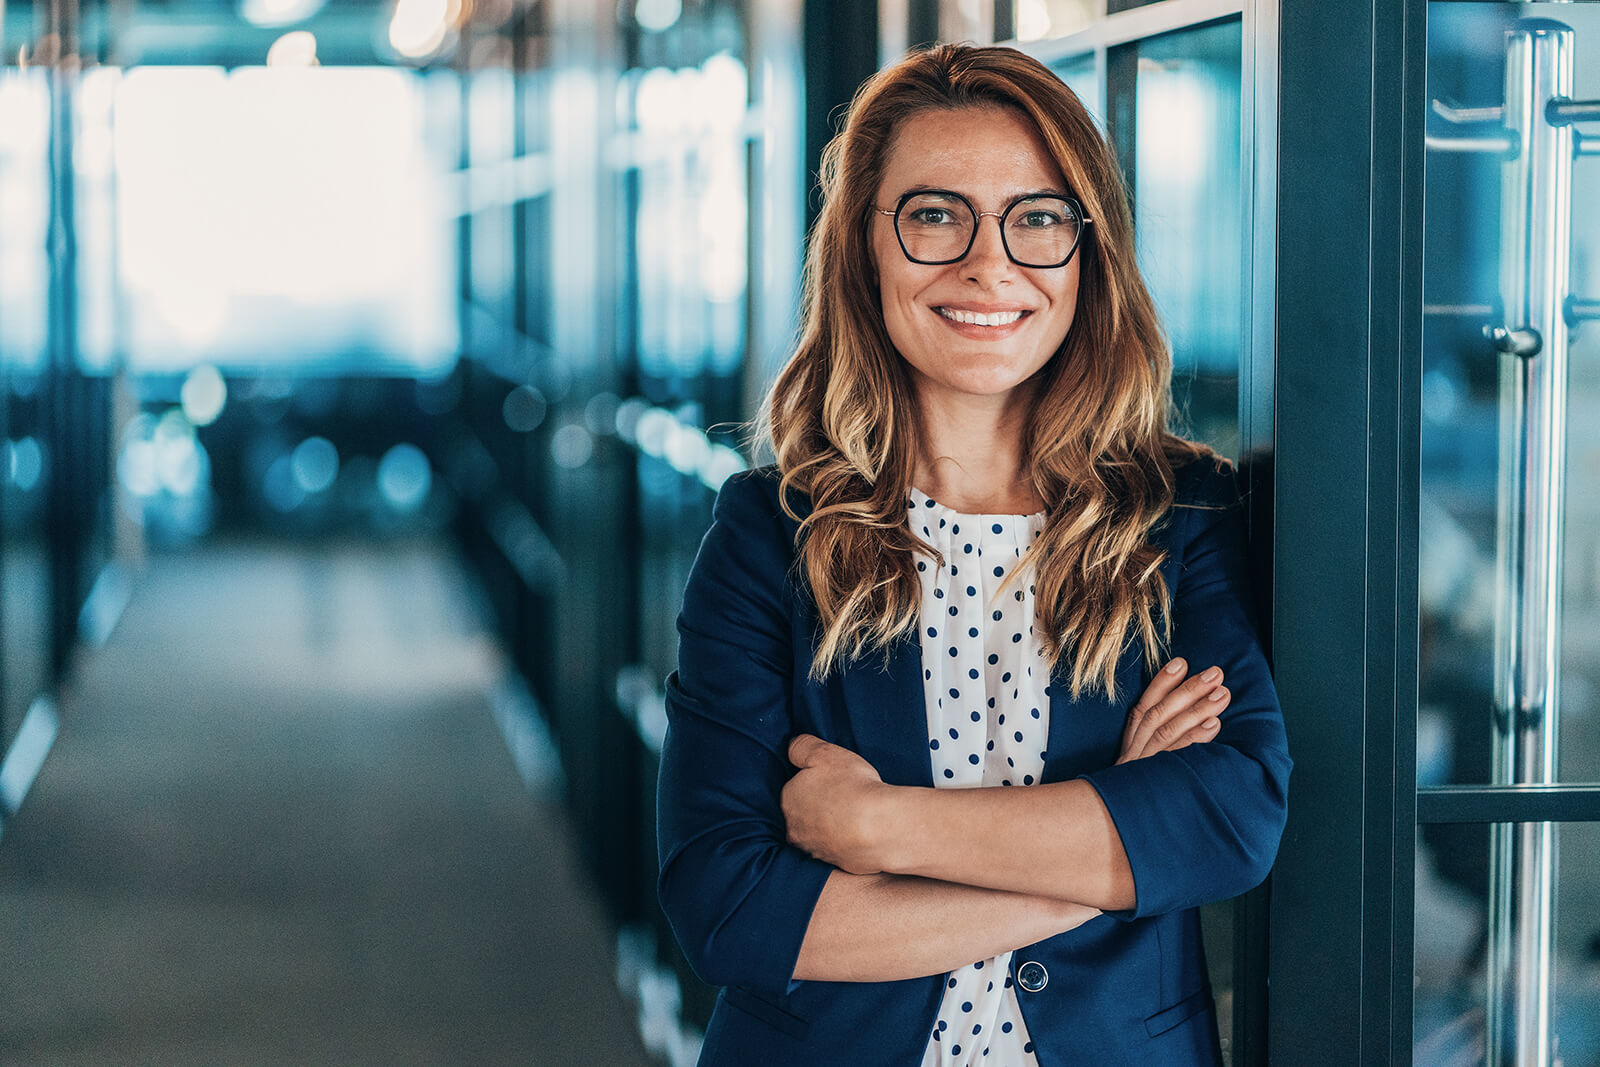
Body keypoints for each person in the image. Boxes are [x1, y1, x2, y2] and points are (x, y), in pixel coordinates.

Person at [655, 43, 1290, 1066]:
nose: (987, 264)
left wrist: (878, 829)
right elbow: (728, 907)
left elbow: (1227, 818)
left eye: (1036, 218)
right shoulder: (771, 531)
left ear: (1088, 250)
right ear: (865, 245)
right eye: (934, 214)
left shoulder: (1180, 516)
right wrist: (1104, 846)